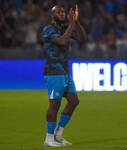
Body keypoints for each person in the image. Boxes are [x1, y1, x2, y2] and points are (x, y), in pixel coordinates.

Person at [43, 4, 86, 147]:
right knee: (54, 105)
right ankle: (49, 139)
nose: (62, 14)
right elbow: (62, 41)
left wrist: (77, 22)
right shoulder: (49, 29)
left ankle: (58, 134)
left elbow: (81, 37)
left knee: (74, 101)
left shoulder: (63, 29)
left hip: (65, 72)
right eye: (59, 13)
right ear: (52, 15)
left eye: (63, 13)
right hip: (54, 72)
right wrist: (71, 23)